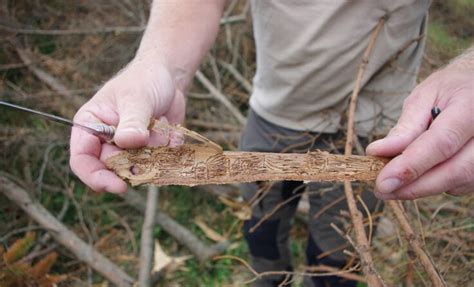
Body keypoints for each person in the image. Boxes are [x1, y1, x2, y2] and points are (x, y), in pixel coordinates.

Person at [69, 1, 474, 286]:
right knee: (261, 228)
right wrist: (159, 65)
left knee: (339, 252)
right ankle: (269, 281)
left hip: (381, 129)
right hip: (273, 116)